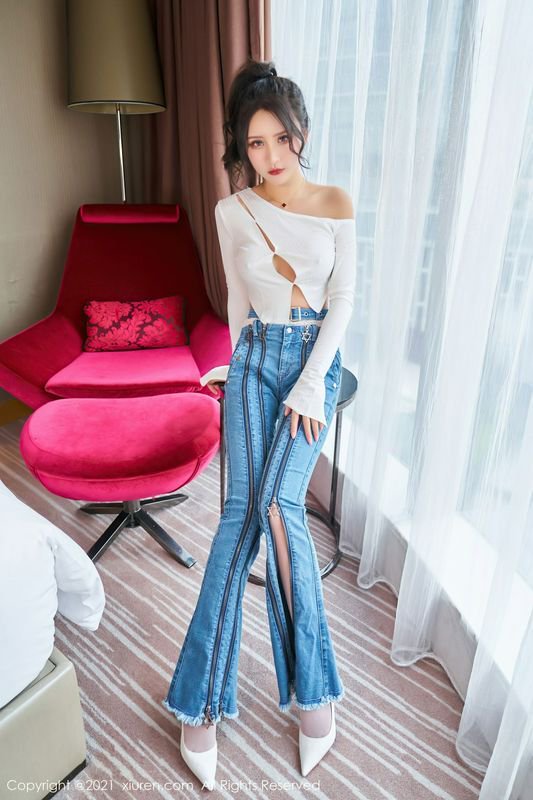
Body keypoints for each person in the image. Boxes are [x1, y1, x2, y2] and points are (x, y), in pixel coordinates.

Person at [162, 57, 356, 790]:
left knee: (280, 507)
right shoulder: (230, 211)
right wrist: (233, 367)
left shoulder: (334, 201)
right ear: (240, 148)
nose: (271, 156)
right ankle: (199, 705)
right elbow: (239, 304)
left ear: (300, 132)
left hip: (314, 362)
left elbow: (344, 301)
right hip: (252, 362)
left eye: (281, 138)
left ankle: (315, 694)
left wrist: (308, 385)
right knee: (238, 516)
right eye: (254, 143)